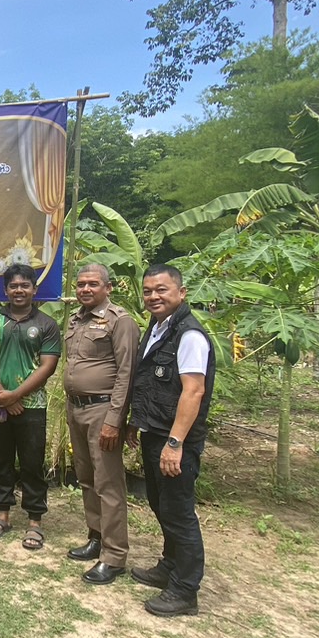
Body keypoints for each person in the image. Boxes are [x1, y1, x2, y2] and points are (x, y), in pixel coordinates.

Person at [127, 263, 215, 617]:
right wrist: (136, 423)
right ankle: (170, 565)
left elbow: (193, 391)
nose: (153, 297)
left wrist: (175, 443)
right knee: (160, 504)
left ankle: (185, 589)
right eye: (148, 291)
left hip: (175, 440)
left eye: (161, 290)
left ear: (181, 292)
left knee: (179, 513)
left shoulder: (189, 335)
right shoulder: (157, 328)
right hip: (155, 432)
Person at [63, 263, 141, 584]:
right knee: (86, 478)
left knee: (109, 484)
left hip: (102, 411)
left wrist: (115, 420)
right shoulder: (76, 319)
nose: (85, 289)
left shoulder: (120, 321)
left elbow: (127, 373)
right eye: (81, 284)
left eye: (93, 284)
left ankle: (114, 555)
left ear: (108, 288)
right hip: (76, 408)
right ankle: (96, 537)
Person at [0, 264, 61, 550]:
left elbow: (48, 367)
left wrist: (16, 396)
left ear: (34, 289)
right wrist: (3, 394)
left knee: (32, 463)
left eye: (25, 285)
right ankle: (2, 514)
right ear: (6, 290)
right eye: (14, 286)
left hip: (32, 406)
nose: (19, 290)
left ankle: (35, 521)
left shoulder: (47, 324)